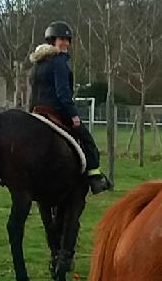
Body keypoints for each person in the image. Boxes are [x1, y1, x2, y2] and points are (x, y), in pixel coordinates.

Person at [28, 21, 112, 195]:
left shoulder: (38, 63)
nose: (66, 43)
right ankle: (95, 177)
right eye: (62, 39)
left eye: (68, 40)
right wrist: (73, 115)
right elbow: (63, 93)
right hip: (54, 110)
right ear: (52, 40)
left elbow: (33, 92)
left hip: (36, 111)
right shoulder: (58, 61)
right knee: (87, 140)